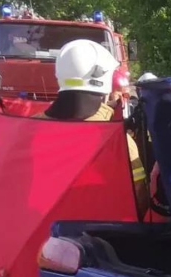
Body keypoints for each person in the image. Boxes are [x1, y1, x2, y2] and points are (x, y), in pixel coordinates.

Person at [38, 40, 148, 214]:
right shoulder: (118, 141)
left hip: (37, 233)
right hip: (96, 236)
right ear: (105, 79)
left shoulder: (27, 130)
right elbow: (139, 197)